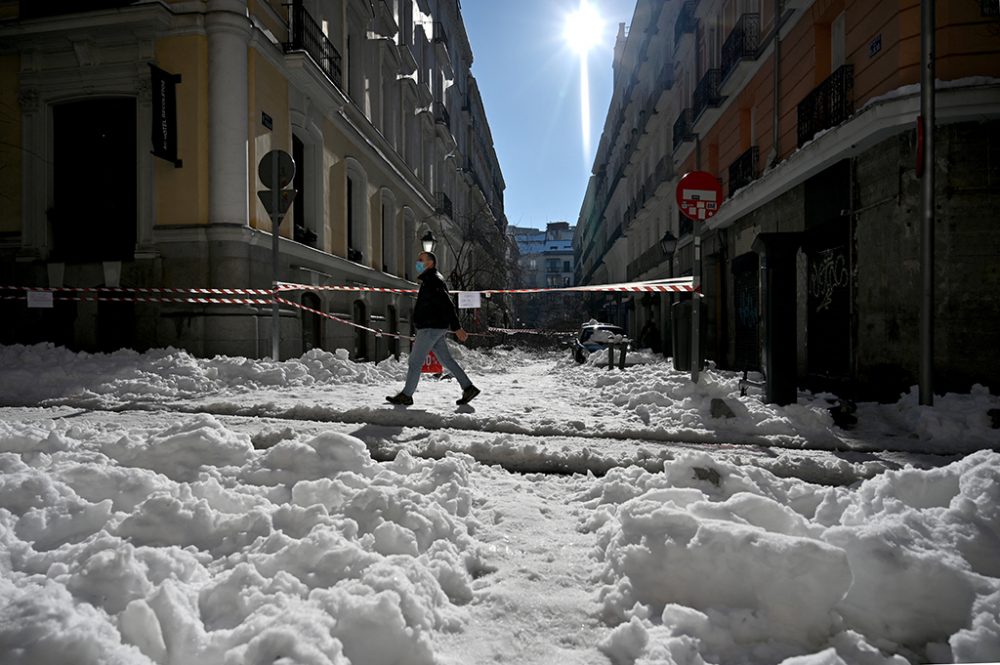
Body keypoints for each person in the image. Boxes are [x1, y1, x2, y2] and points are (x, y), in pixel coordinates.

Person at [387, 251, 480, 406]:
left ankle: (406, 395)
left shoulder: (433, 280)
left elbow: (447, 304)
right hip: (434, 327)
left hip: (430, 327)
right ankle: (468, 387)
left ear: (430, 263)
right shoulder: (430, 279)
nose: (417, 262)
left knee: (415, 362)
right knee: (447, 360)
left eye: (420, 260)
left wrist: (457, 327)